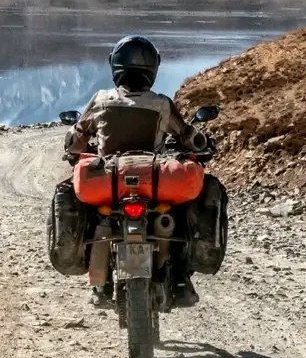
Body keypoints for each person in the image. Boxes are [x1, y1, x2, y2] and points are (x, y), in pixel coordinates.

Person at [66, 35, 206, 307]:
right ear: (152, 69)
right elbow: (189, 137)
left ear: (115, 66)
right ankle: (181, 280)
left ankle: (99, 285)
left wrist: (75, 144)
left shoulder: (101, 99)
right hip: (152, 180)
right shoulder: (162, 104)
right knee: (176, 213)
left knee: (95, 214)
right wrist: (200, 141)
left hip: (110, 181)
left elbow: (75, 139)